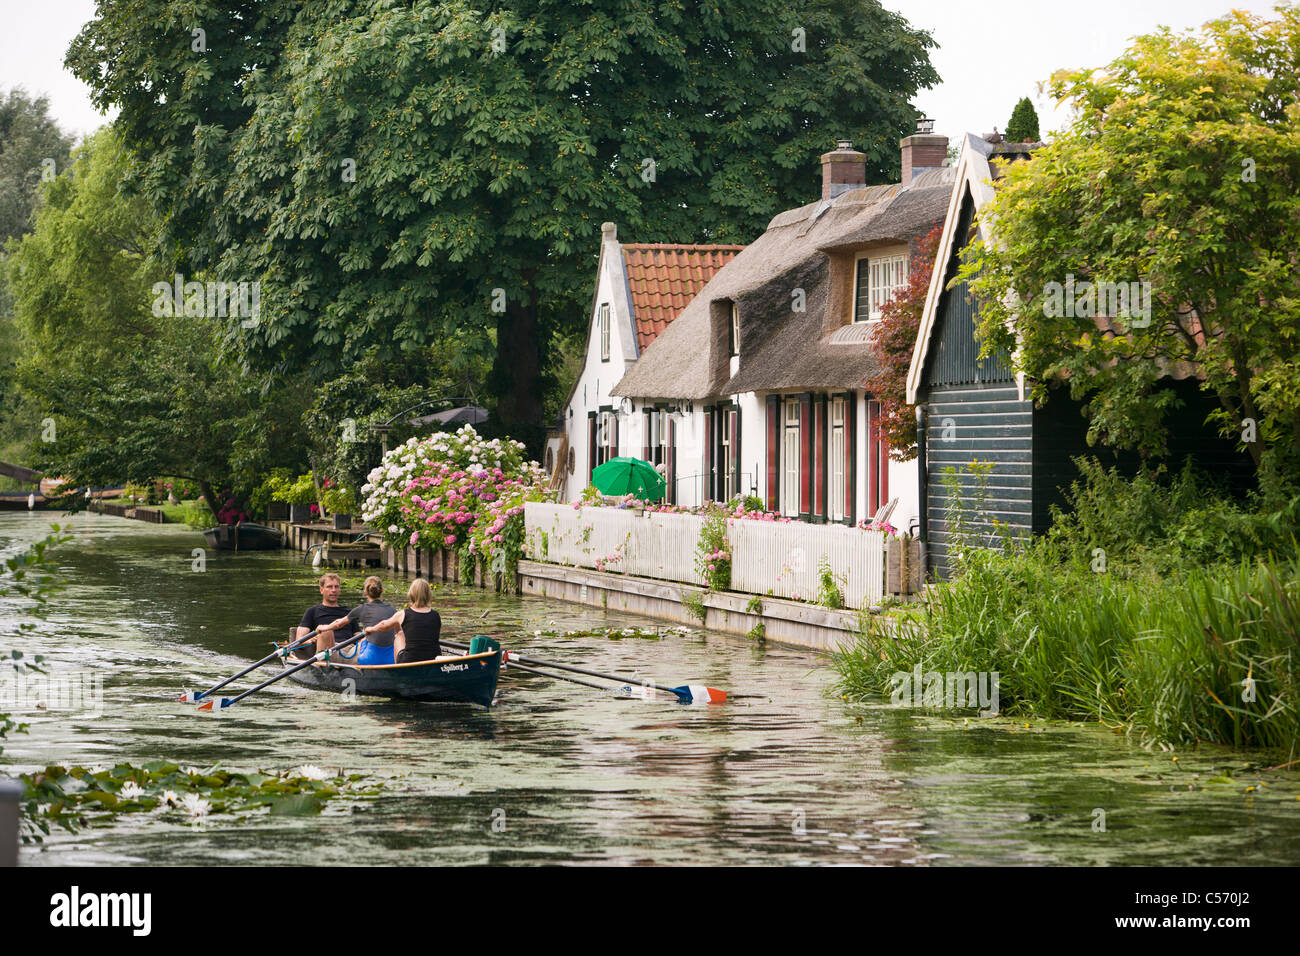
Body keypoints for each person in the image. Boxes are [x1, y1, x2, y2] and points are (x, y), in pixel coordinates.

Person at [316, 575, 398, 665]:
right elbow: (398, 633)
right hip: (391, 659)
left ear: (365, 592)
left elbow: (338, 624)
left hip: (367, 658)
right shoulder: (393, 609)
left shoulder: (361, 608)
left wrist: (325, 627)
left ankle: (323, 667)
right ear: (382, 590)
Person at [364, 578, 442, 663]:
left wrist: (371, 629)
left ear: (412, 594)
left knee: (399, 635)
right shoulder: (436, 615)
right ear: (428, 594)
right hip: (434, 659)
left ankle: (397, 669)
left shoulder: (403, 614)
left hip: (410, 661)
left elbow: (384, 625)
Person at [292, 572, 354, 659]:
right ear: (321, 590)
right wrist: (311, 640)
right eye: (329, 587)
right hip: (328, 650)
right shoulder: (312, 611)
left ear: (339, 590)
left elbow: (359, 635)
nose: (333, 590)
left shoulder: (349, 612)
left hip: (349, 651)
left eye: (336, 587)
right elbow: (299, 640)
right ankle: (323, 666)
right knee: (325, 630)